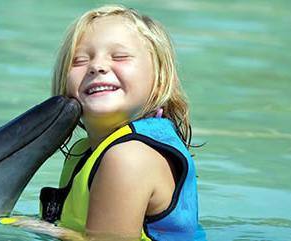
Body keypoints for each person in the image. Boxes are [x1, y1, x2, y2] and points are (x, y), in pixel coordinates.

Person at [37, 4, 205, 241]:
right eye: (79, 60)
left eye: (120, 56)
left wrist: (23, 227)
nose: (97, 66)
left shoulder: (129, 158)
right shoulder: (85, 152)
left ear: (159, 80)